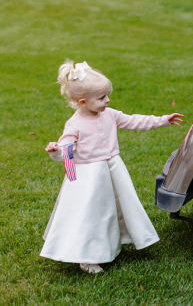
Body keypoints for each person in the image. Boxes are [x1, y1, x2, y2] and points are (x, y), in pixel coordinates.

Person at [42, 60, 184, 273]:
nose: (107, 100)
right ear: (82, 102)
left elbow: (134, 121)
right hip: (90, 177)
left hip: (114, 169)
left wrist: (163, 120)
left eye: (107, 95)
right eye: (101, 98)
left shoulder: (110, 114)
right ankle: (87, 256)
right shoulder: (75, 124)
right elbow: (66, 151)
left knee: (119, 205)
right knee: (94, 212)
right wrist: (55, 151)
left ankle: (119, 239)